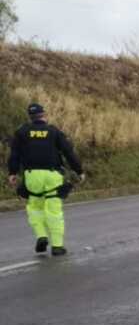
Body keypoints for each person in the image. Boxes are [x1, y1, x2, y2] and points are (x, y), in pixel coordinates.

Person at [6, 103, 84, 256]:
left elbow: (14, 154)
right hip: (52, 176)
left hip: (32, 176)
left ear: (30, 116)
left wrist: (12, 172)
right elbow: (68, 151)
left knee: (35, 208)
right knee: (53, 211)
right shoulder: (53, 131)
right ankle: (57, 246)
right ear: (44, 115)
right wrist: (79, 170)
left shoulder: (22, 132)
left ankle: (41, 236)